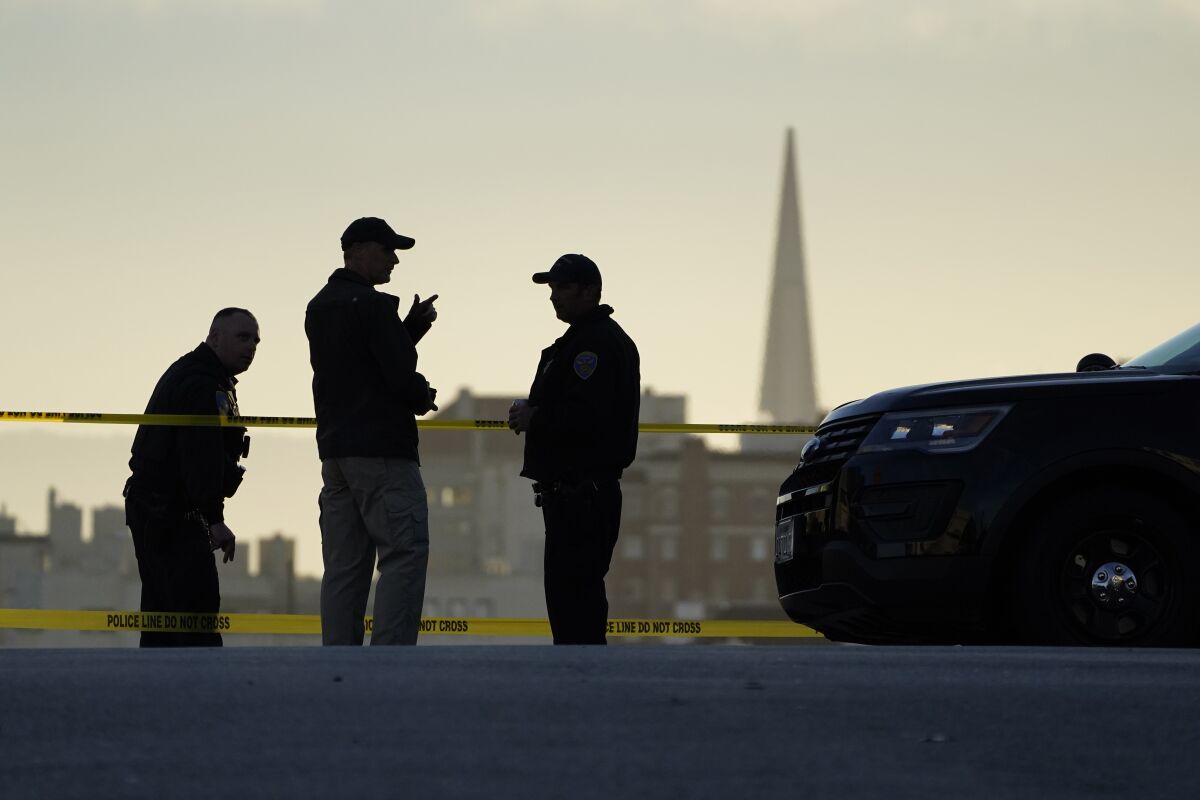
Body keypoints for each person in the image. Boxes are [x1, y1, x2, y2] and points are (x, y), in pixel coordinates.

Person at [305, 216, 440, 646]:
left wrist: (408, 330)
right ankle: (390, 663)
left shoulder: (321, 305)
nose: (395, 260)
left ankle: (339, 663)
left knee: (345, 566)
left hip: (337, 454)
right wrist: (423, 396)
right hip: (383, 451)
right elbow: (397, 377)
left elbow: (359, 365)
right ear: (358, 249)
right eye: (387, 250)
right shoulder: (374, 306)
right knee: (404, 553)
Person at [509, 254, 640, 645]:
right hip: (573, 494)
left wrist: (536, 417)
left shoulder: (595, 345)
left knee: (575, 603)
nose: (554, 297)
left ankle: (583, 684)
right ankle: (580, 681)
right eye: (552, 289)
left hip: (583, 493)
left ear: (590, 290)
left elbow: (587, 416)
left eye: (563, 288)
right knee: (571, 601)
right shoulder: (582, 342)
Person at [123, 308, 258, 647]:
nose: (252, 346)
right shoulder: (200, 383)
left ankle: (165, 692)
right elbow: (200, 457)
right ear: (215, 337)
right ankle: (197, 693)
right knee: (193, 619)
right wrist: (214, 519)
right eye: (243, 337)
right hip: (169, 513)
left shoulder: (205, 377)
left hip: (161, 509)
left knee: (165, 619)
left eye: (255, 340)